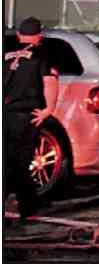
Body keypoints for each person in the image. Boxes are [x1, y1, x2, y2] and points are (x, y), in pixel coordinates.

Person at [3, 17, 59, 221]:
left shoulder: (6, 53)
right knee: (21, 161)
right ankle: (28, 206)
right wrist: (48, 109)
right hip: (26, 115)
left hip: (5, 113)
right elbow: (49, 82)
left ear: (19, 34)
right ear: (39, 36)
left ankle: (23, 203)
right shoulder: (42, 56)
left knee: (7, 160)